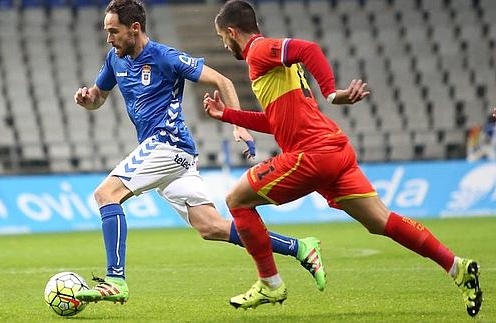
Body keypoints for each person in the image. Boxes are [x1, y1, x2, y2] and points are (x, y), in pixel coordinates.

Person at [203, 0, 482, 317]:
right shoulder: (274, 66)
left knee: (237, 200)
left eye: (221, 38)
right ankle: (456, 266)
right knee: (381, 220)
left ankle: (270, 282)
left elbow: (309, 49)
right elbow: (275, 121)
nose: (224, 46)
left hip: (311, 154)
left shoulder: (259, 50)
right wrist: (228, 115)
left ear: (231, 31)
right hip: (334, 149)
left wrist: (332, 93)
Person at [72, 0, 326, 305]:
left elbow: (222, 80)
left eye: (114, 31)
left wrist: (238, 124)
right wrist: (88, 99)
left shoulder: (165, 57)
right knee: (211, 227)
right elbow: (99, 97)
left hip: (166, 142)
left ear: (135, 28)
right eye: (107, 32)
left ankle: (115, 280)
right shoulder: (116, 59)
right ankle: (299, 248)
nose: (109, 38)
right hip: (174, 155)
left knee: (106, 195)